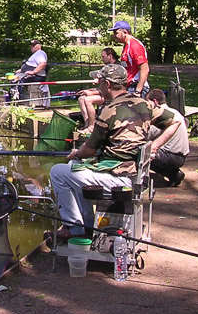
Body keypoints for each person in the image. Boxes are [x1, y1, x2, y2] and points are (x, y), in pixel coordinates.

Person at [49, 63, 181, 240]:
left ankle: (74, 227)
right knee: (74, 167)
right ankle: (86, 224)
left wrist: (77, 153)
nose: (98, 86)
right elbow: (176, 122)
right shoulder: (144, 104)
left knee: (58, 171)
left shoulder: (108, 111)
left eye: (100, 82)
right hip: (137, 174)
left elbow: (90, 148)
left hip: (120, 179)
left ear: (108, 84)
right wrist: (155, 145)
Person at [146, 88, 190, 187]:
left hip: (169, 156)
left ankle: (136, 181)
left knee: (137, 150)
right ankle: (174, 174)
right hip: (181, 155)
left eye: (147, 102)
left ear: (155, 102)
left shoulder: (160, 114)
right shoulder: (174, 112)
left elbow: (146, 134)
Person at [75, 47, 120, 133]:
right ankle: (87, 124)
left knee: (88, 100)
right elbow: (103, 87)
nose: (102, 59)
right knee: (81, 98)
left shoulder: (116, 68)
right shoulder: (107, 67)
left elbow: (109, 89)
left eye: (103, 57)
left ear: (110, 56)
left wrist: (91, 92)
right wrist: (90, 91)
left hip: (112, 95)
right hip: (104, 93)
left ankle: (92, 127)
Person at [109, 20, 149, 97]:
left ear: (125, 32)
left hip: (135, 87)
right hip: (129, 86)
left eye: (116, 33)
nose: (114, 36)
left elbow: (144, 69)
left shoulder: (135, 46)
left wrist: (138, 91)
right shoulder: (126, 46)